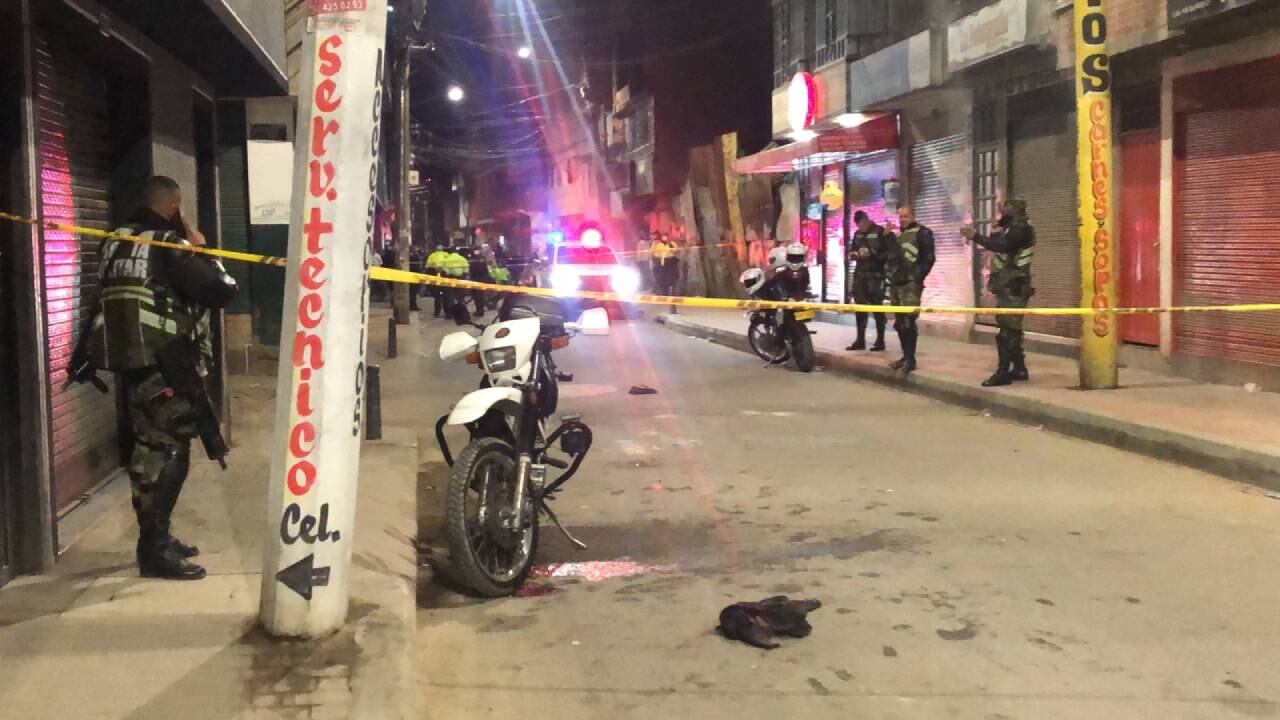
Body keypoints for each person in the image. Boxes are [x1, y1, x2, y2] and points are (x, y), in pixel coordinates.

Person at [84, 176, 237, 580]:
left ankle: (159, 537)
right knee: (168, 451)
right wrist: (201, 248)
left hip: (131, 357)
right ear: (172, 207)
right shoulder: (168, 245)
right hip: (163, 359)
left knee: (148, 450)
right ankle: (153, 551)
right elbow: (221, 290)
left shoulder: (114, 239)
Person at [962, 197, 1036, 387]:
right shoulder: (1011, 227)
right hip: (1007, 285)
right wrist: (997, 228)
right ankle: (1019, 368)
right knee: (1010, 328)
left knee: (1007, 332)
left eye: (1005, 206)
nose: (1000, 208)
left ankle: (1003, 372)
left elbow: (1003, 246)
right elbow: (1000, 245)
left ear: (1015, 208)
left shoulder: (1021, 229)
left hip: (1014, 286)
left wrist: (975, 236)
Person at [885, 206, 936, 373]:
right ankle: (905, 357)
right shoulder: (898, 235)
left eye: (906, 216)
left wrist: (917, 279)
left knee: (908, 322)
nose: (903, 219)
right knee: (899, 323)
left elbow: (928, 259)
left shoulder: (923, 233)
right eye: (901, 217)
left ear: (913, 216)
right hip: (896, 283)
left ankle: (910, 359)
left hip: (910, 284)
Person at [846, 210, 893, 352]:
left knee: (877, 308)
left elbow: (888, 253)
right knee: (860, 308)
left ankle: (880, 340)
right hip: (860, 274)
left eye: (862, 223)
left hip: (875, 275)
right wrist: (853, 254)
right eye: (858, 224)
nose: (861, 226)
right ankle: (860, 340)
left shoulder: (880, 232)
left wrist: (871, 253)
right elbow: (852, 250)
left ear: (867, 220)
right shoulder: (857, 234)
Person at [426, 243, 450, 318]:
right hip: (445, 276)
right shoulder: (446, 255)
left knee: (437, 296)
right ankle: (447, 312)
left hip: (435, 277)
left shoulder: (432, 256)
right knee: (446, 296)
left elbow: (427, 267)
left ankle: (437, 312)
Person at [651, 232, 679, 296]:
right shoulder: (658, 244)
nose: (664, 238)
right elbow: (654, 253)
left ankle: (672, 292)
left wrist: (669, 244)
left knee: (671, 278)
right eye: (663, 236)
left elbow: (676, 250)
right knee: (662, 279)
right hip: (661, 263)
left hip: (670, 263)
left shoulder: (672, 243)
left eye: (666, 236)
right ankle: (664, 292)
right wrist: (654, 244)